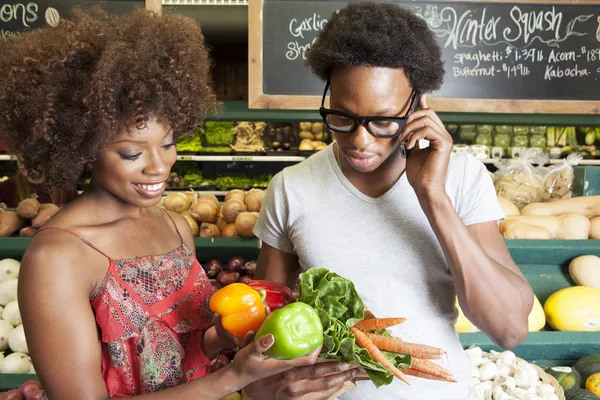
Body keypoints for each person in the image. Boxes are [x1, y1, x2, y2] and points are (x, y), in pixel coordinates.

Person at [0, 8, 361, 400]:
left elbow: (178, 358)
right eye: (130, 153)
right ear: (81, 148)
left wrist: (223, 339)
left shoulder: (173, 226)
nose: (159, 166)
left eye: (168, 143)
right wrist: (233, 378)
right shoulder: (57, 256)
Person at [248, 3, 535, 400]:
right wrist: (276, 389)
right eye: (342, 118)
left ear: (418, 106)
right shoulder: (291, 188)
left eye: (383, 121)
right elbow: (258, 341)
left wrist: (432, 196)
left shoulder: (463, 178)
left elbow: (508, 329)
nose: (360, 141)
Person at [0, 159, 79, 207]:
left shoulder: (66, 188)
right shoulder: (5, 188)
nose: (23, 167)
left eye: (35, 161)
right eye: (21, 161)